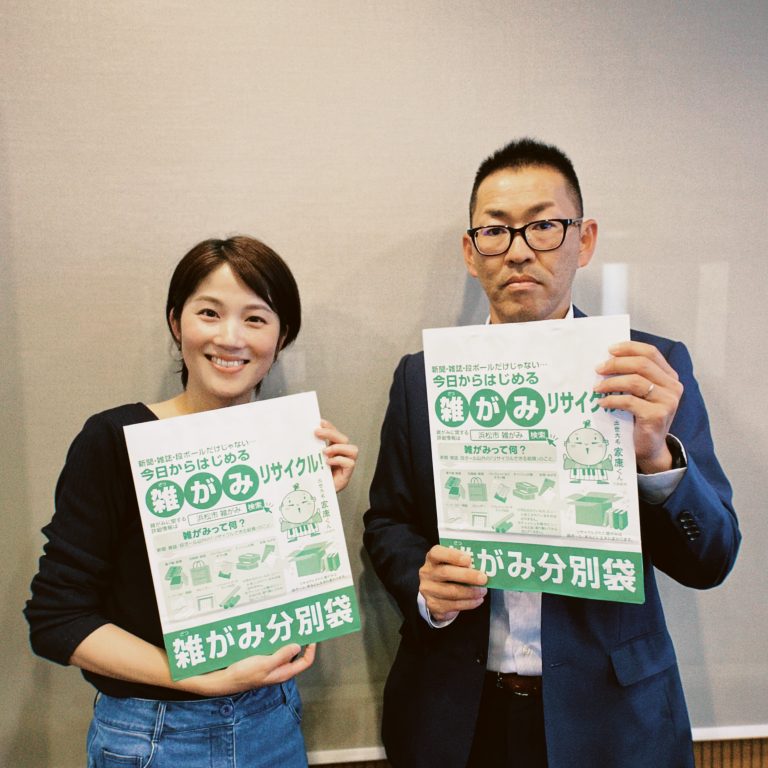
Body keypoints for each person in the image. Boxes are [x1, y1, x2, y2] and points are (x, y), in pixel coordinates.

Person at [363, 139, 741, 768]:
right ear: (471, 251)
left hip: (611, 720)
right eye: (495, 231)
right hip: (455, 716)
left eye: (543, 226)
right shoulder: (421, 378)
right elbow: (388, 521)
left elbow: (711, 560)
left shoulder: (649, 370)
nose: (518, 250)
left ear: (583, 240)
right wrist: (422, 583)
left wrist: (654, 459)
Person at [25, 235, 358, 768]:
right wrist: (200, 679)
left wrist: (307, 499)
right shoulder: (112, 439)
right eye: (209, 313)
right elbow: (57, 619)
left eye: (255, 318)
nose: (230, 337)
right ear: (176, 323)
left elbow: (260, 584)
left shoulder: (292, 443)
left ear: (281, 337)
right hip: (153, 733)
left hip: (273, 719)